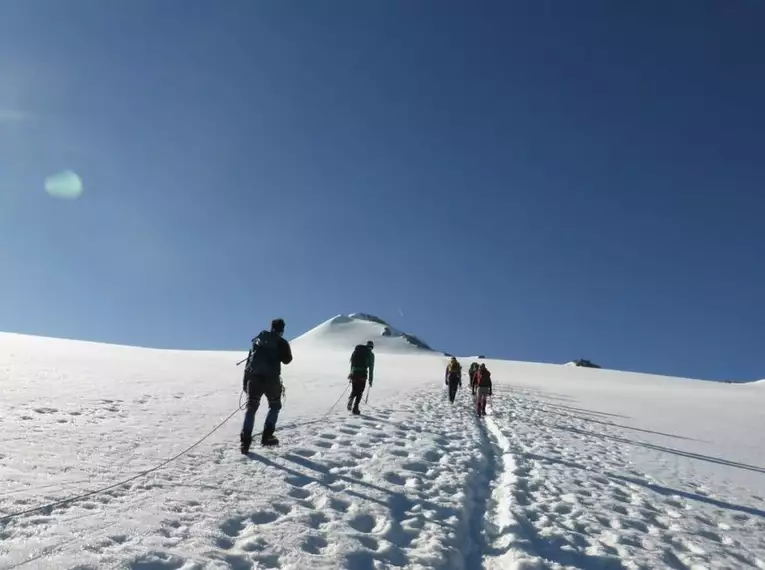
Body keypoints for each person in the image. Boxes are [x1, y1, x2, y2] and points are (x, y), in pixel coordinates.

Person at [240, 318, 293, 453]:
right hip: (272, 380)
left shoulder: (259, 339)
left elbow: (251, 358)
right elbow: (287, 360)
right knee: (275, 406)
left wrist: (246, 381)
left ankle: (245, 442)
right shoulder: (282, 342)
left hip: (254, 378)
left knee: (251, 408)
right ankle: (267, 436)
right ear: (282, 330)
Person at [347, 341, 375, 415]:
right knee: (360, 391)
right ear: (372, 347)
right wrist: (370, 379)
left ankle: (351, 398)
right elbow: (371, 368)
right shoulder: (370, 354)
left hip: (354, 373)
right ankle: (355, 408)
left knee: (354, 389)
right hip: (363, 374)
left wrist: (351, 373)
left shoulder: (356, 352)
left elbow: (352, 364)